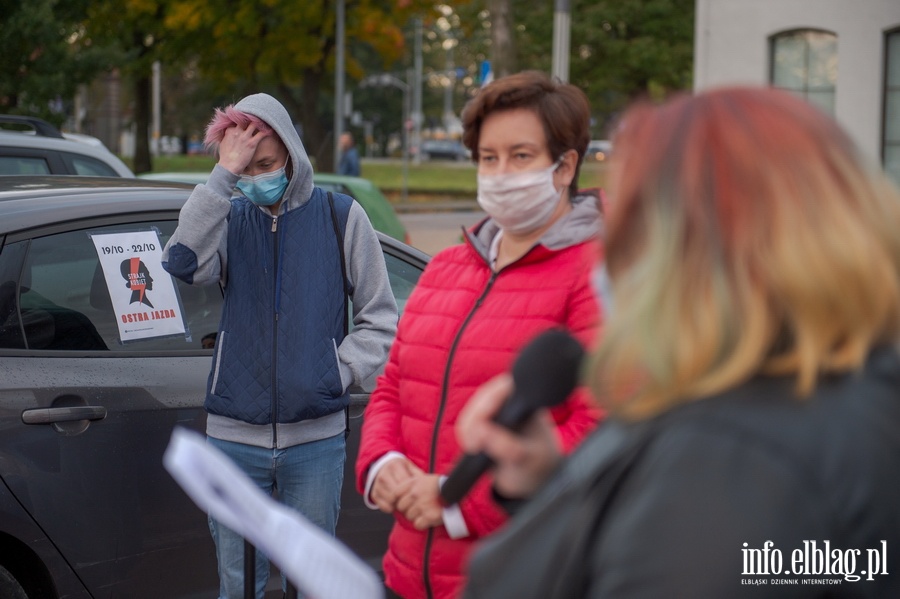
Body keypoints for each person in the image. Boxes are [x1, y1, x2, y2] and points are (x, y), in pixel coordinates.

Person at [457, 86, 900, 598]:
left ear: (682, 249)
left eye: (625, 229)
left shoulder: (726, 460)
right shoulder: (851, 391)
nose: (612, 260)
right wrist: (550, 481)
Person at [355, 70, 605, 599]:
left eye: (520, 156)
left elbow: (601, 432)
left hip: (516, 576)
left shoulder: (597, 276)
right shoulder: (446, 266)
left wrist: (460, 502)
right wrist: (381, 464)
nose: (500, 173)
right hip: (406, 574)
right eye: (488, 158)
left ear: (566, 167)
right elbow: (393, 385)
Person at [161, 93, 398, 599]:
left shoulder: (341, 217)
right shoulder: (228, 215)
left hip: (315, 442)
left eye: (265, 164)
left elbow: (381, 320)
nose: (256, 177)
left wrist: (333, 373)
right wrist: (223, 178)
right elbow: (181, 262)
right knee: (238, 586)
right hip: (232, 443)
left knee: (313, 585)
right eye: (244, 168)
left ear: (292, 152)